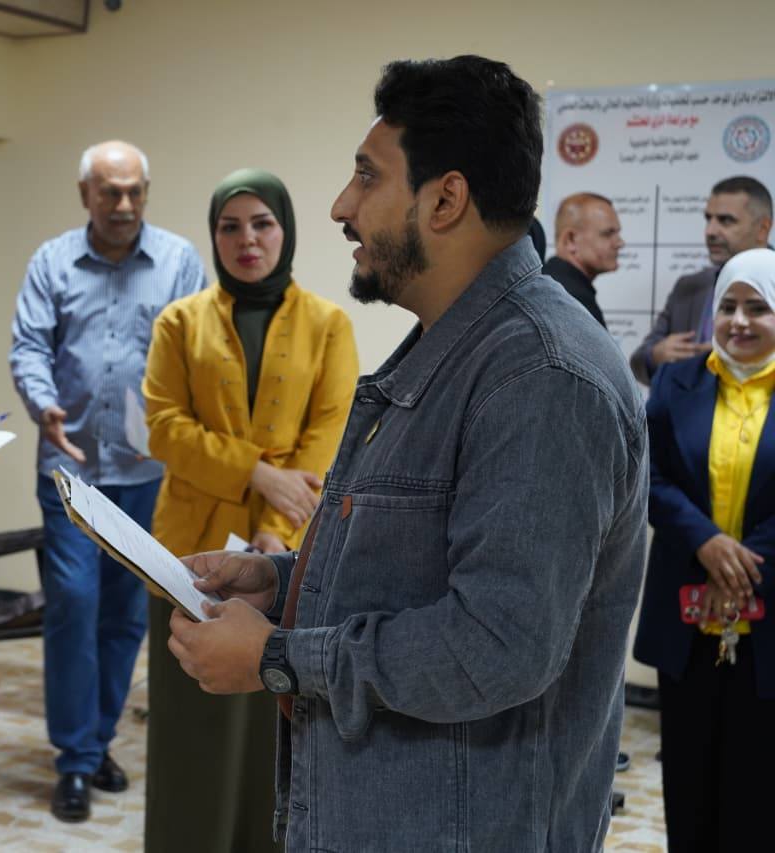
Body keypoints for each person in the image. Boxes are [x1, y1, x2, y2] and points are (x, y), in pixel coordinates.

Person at [165, 55, 648, 851]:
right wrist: (281, 581)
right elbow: (417, 564)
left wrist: (280, 656)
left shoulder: (539, 375)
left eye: (367, 176)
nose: (341, 206)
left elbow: (496, 644)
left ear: (445, 199)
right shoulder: (456, 346)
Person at [141, 168, 356, 852]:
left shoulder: (328, 324)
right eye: (229, 226)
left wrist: (275, 533)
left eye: (262, 223)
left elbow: (330, 434)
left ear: (285, 229)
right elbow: (164, 428)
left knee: (275, 732)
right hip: (187, 557)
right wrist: (257, 472)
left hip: (287, 557)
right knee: (189, 730)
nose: (247, 239)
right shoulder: (180, 322)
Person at [9, 140, 206, 823]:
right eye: (109, 191)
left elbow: (196, 354)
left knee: (125, 614)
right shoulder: (52, 261)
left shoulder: (179, 260)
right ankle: (74, 759)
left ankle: (95, 743)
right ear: (85, 195)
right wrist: (43, 403)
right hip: (70, 470)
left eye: (134, 191)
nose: (123, 204)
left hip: (148, 472)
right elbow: (29, 346)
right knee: (72, 601)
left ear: (145, 192)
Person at [632, 247, 775, 851]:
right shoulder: (676, 381)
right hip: (686, 615)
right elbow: (647, 474)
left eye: (758, 308)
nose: (739, 321)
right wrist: (707, 542)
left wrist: (740, 564)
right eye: (728, 306)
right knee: (689, 783)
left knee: (758, 789)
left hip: (768, 618)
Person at [630, 176, 773, 384]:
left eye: (726, 220)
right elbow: (639, 361)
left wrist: (735, 352)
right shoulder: (689, 286)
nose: (710, 231)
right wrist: (657, 355)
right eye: (708, 219)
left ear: (762, 229)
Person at [543, 192, 624, 327]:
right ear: (571, 240)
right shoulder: (571, 300)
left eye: (617, 233)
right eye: (608, 233)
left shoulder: (552, 285)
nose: (620, 243)